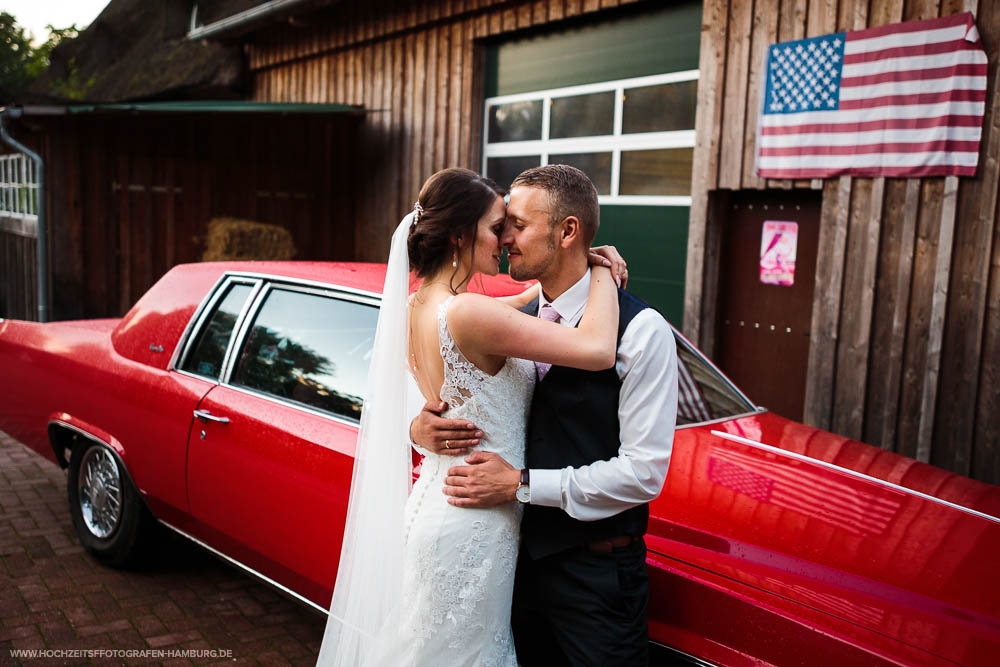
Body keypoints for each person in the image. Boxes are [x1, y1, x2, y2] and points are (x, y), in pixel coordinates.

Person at [317, 167, 627, 667]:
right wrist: (602, 272)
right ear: (461, 235)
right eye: (495, 226)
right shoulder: (467, 315)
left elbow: (519, 302)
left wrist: (416, 429)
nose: (505, 239)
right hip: (472, 521)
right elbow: (595, 349)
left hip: (441, 503)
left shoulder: (419, 305)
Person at [411, 164, 679, 666]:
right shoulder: (509, 317)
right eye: (500, 226)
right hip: (509, 564)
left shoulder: (643, 333)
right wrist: (418, 424)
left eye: (517, 225)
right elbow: (443, 381)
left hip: (594, 577)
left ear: (567, 231)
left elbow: (644, 473)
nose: (506, 238)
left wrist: (522, 484)